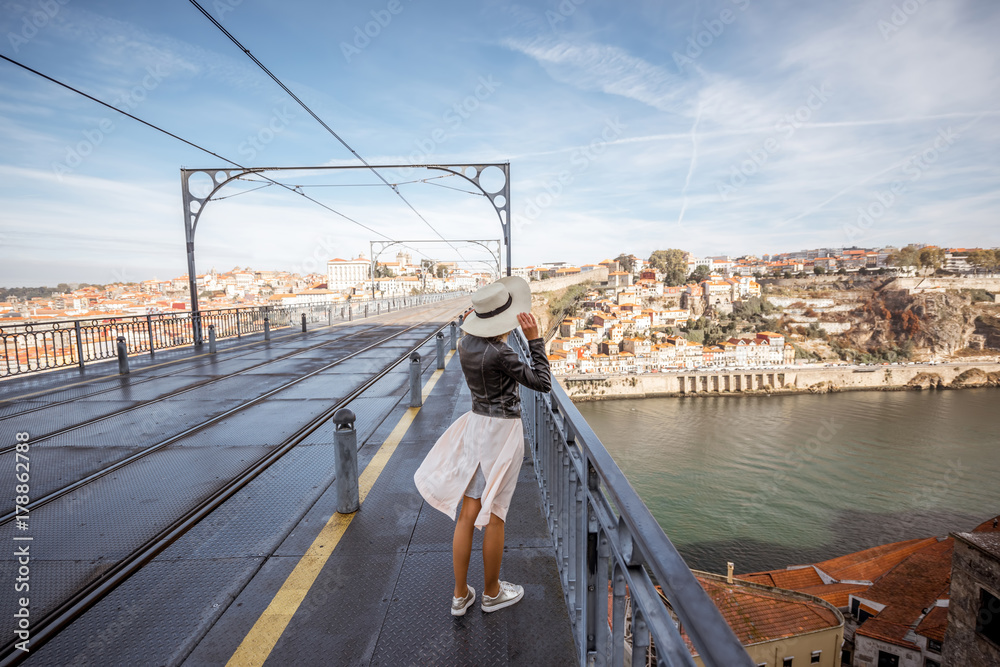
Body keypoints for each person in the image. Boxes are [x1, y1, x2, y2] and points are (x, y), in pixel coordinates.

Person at [413, 276, 551, 616]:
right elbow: (543, 383)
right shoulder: (501, 353)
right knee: (496, 515)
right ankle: (491, 593)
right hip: (501, 433)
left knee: (469, 511)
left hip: (475, 426)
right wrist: (535, 341)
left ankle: (460, 595)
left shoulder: (466, 344)